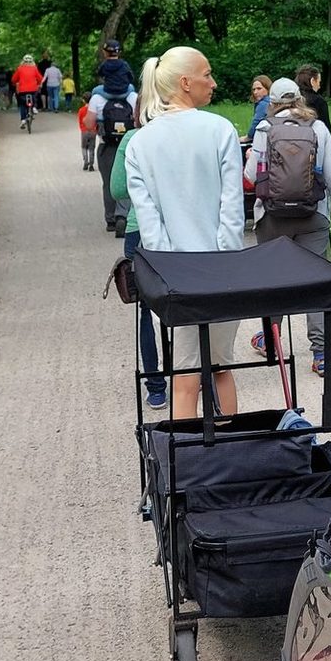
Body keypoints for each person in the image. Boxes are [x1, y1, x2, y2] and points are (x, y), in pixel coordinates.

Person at [126, 47, 245, 420]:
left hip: (175, 279)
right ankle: (232, 443)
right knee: (222, 368)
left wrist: (171, 274)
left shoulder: (140, 143)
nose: (214, 82)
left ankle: (189, 453)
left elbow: (150, 225)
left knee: (184, 378)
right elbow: (231, 211)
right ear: (185, 82)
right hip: (223, 273)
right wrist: (227, 265)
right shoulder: (220, 129)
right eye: (207, 74)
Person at [246, 78, 331, 378]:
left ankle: (271, 341)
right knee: (314, 282)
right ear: (300, 99)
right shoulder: (317, 128)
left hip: (271, 218)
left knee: (273, 279)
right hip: (312, 217)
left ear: (273, 103)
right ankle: (320, 354)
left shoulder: (264, 129)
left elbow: (251, 176)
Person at [111, 57, 169, 410]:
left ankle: (155, 385)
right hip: (176, 230)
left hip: (138, 231)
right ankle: (194, 373)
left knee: (145, 310)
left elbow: (118, 189)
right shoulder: (177, 135)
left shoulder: (132, 138)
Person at [87, 52, 138, 232]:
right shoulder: (132, 97)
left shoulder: (97, 98)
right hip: (129, 145)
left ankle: (110, 219)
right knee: (128, 180)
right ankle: (123, 215)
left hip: (107, 145)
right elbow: (141, 121)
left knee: (108, 182)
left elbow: (88, 124)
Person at [294, 64, 331, 144]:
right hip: (314, 144)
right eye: (319, 82)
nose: (319, 86)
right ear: (312, 81)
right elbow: (327, 129)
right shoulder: (318, 102)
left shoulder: (293, 100)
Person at [10, 54, 43, 128]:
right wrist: (38, 83)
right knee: (35, 96)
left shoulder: (19, 68)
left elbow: (13, 79)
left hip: (22, 90)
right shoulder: (34, 68)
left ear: (23, 61)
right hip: (33, 88)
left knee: (22, 104)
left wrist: (14, 83)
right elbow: (40, 78)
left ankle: (23, 120)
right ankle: (34, 107)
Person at [77, 95, 96, 172]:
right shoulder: (93, 110)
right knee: (91, 148)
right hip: (93, 131)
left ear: (83, 100)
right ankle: (91, 165)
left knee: (84, 147)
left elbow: (80, 121)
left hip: (84, 131)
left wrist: (82, 128)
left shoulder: (81, 110)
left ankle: (85, 161)